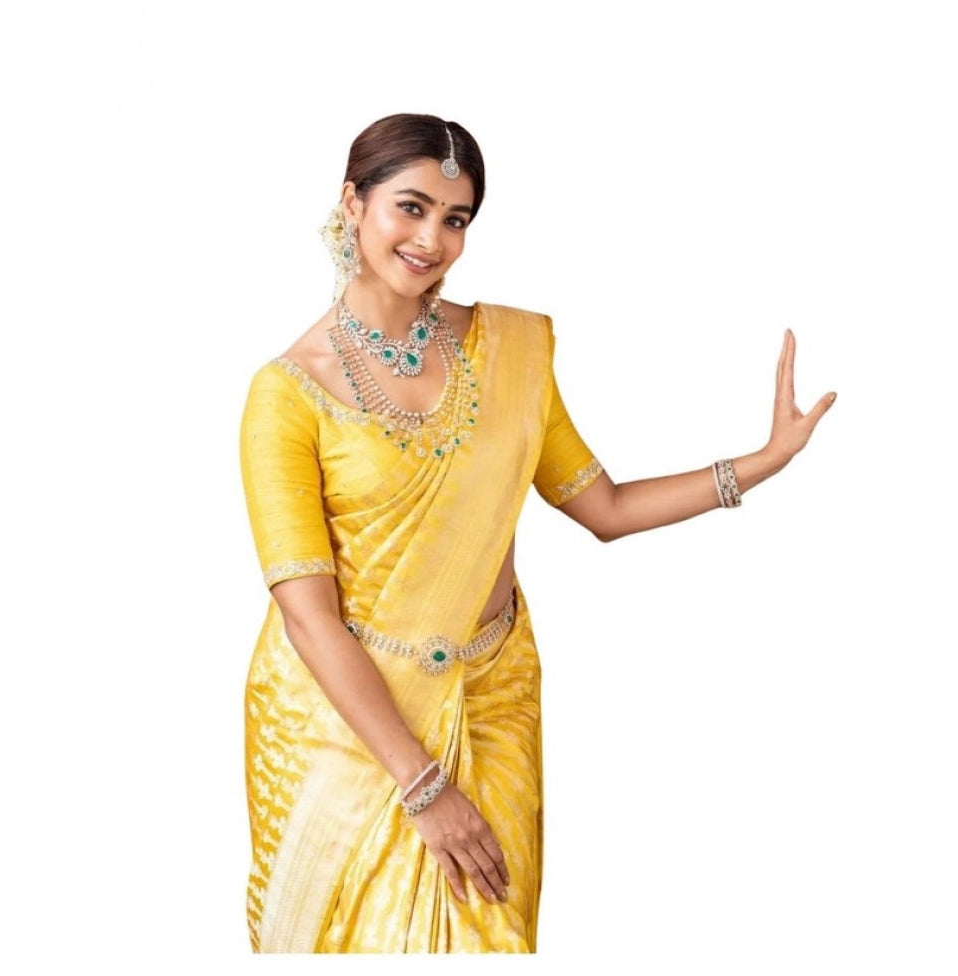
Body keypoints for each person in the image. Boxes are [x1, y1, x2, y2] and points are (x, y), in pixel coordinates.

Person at [238, 113, 836, 954]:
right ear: (352, 203)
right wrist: (423, 786)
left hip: (492, 700)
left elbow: (604, 507)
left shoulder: (509, 351)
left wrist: (759, 464)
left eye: (455, 218)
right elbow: (308, 619)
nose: (432, 239)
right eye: (411, 207)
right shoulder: (286, 394)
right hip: (349, 731)